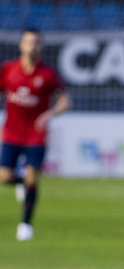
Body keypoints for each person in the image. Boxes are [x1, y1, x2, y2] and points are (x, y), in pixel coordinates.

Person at [0, 28, 71, 241]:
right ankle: (21, 182)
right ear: (21, 45)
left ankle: (25, 224)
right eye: (28, 42)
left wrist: (50, 114)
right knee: (4, 177)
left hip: (35, 135)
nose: (32, 46)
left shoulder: (47, 75)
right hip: (12, 132)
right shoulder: (8, 69)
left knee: (33, 178)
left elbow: (66, 101)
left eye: (36, 43)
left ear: (41, 46)